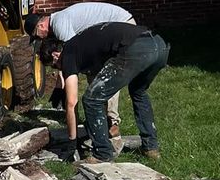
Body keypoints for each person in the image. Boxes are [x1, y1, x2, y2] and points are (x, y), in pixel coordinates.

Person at [42, 22, 169, 163]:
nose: (59, 69)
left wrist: (72, 143)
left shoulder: (68, 53)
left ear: (55, 55)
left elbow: (71, 103)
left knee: (91, 100)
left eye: (54, 65)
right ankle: (151, 148)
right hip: (159, 45)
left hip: (135, 48)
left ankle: (102, 153)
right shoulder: (83, 44)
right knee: (138, 92)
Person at [25, 2, 136, 137]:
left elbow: (72, 57)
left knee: (106, 77)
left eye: (36, 35)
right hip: (114, 29)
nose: (39, 38)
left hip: (122, 26)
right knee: (95, 76)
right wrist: (60, 83)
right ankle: (103, 121)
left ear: (41, 25)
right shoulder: (59, 20)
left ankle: (111, 123)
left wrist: (63, 87)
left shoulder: (59, 25)